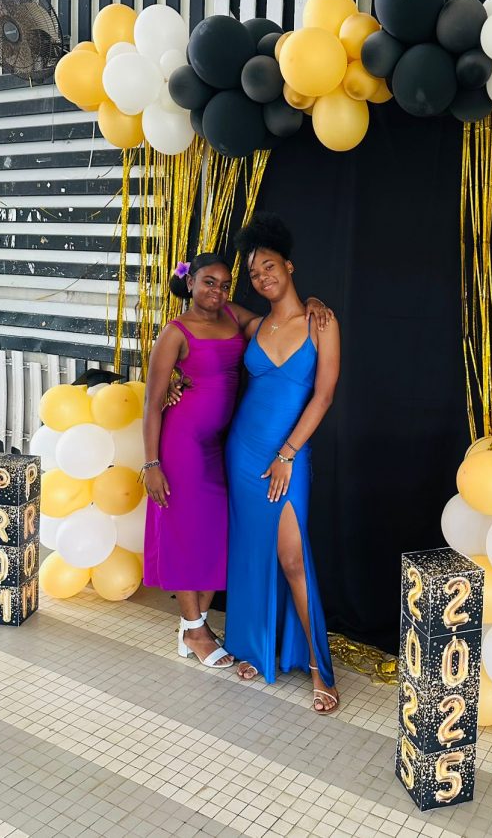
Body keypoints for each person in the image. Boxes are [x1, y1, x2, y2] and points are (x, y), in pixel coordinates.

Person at [143, 253, 330, 670]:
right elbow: (152, 403)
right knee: (184, 534)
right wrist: (151, 464)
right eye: (209, 282)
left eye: (225, 284)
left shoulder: (233, 316)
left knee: (214, 536)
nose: (218, 291)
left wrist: (312, 302)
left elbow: (274, 321)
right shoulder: (174, 332)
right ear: (190, 283)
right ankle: (194, 631)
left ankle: (194, 625)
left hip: (221, 447)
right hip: (183, 445)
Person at [225, 212, 340, 713]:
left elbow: (324, 395)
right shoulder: (254, 324)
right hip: (243, 452)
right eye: (253, 274)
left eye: (269, 267)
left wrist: (287, 454)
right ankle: (253, 647)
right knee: (252, 550)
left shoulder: (321, 323)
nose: (262, 278)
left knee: (293, 559)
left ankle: (318, 666)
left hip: (288, 456)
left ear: (289, 265)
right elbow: (209, 305)